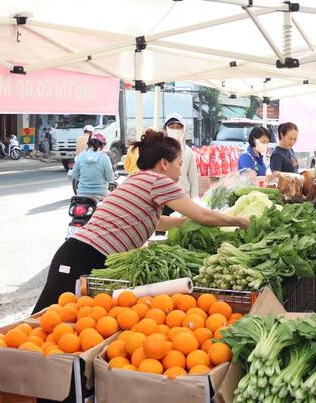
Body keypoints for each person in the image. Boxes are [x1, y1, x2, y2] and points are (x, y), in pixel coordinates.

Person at [33, 130, 251, 312]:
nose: (180, 170)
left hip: (84, 254)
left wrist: (185, 223)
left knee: (68, 322)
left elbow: (154, 221)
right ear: (164, 163)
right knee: (44, 321)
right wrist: (238, 221)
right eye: (179, 164)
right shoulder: (158, 181)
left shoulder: (138, 178)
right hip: (82, 257)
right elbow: (203, 215)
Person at [164, 114, 199, 198]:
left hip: (184, 197)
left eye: (178, 127)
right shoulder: (160, 150)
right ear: (165, 129)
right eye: (172, 127)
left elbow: (193, 179)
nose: (175, 130)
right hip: (165, 197)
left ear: (183, 130)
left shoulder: (188, 152)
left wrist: (194, 199)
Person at [71, 132, 114, 199]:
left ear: (89, 144)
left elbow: (74, 175)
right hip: (101, 193)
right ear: (102, 145)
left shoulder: (80, 156)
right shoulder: (104, 158)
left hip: (82, 193)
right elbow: (110, 178)